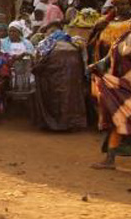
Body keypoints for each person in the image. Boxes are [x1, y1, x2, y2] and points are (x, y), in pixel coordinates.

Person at [31, 25, 87, 132]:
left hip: (54, 79)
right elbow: (83, 65)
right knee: (71, 99)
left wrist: (36, 70)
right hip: (72, 79)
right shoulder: (75, 45)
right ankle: (70, 124)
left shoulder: (46, 45)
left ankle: (54, 124)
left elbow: (39, 63)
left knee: (55, 100)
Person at [90, 30, 131, 170]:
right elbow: (110, 57)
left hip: (125, 86)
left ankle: (110, 159)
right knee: (117, 121)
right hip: (121, 87)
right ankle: (110, 159)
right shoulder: (124, 35)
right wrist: (99, 65)